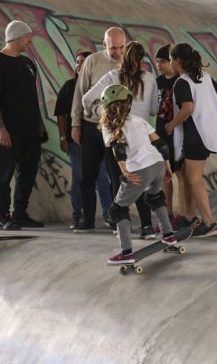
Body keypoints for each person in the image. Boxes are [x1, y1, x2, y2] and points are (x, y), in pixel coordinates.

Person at [82, 41, 159, 239]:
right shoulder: (150, 78)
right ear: (143, 58)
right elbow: (153, 110)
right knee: (140, 180)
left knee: (119, 180)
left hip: (117, 136)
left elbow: (86, 99)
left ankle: (120, 226)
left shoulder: (112, 76)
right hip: (141, 137)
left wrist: (101, 111)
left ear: (124, 54)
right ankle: (147, 227)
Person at [98, 84, 178, 265]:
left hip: (140, 169)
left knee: (117, 209)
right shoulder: (138, 120)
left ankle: (126, 252)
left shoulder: (109, 126)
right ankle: (169, 235)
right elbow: (161, 144)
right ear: (127, 103)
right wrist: (167, 165)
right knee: (155, 196)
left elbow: (118, 148)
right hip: (157, 164)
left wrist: (124, 171)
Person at [164, 43, 217, 238]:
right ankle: (189, 217)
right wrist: (209, 111)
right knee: (187, 176)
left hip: (195, 136)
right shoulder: (205, 77)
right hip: (205, 133)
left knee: (194, 179)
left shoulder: (182, 82)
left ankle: (210, 223)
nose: (170, 63)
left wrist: (171, 125)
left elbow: (187, 108)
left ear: (177, 61)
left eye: (170, 59)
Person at [0, 20, 47, 230]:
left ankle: (20, 213)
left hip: (31, 130)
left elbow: (34, 97)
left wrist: (40, 123)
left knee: (28, 172)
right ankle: (3, 216)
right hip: (9, 130)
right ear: (16, 36)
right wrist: (1, 128)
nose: (30, 41)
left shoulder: (27, 63)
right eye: (27, 37)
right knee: (3, 174)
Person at [70, 27, 126, 234]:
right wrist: (75, 123)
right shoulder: (92, 61)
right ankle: (87, 219)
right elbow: (80, 92)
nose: (118, 52)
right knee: (87, 175)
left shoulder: (128, 64)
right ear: (104, 45)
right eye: (113, 48)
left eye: (121, 47)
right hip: (91, 126)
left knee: (116, 174)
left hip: (115, 129)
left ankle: (115, 218)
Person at [54, 50, 113, 230]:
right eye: (78, 62)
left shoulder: (99, 85)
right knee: (80, 176)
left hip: (100, 136)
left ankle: (109, 214)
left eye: (84, 62)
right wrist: (65, 136)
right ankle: (78, 215)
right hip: (78, 139)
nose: (80, 65)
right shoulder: (69, 86)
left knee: (103, 177)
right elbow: (61, 115)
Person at [154, 44, 186, 224]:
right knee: (165, 174)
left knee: (180, 173)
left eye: (164, 61)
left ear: (173, 61)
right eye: (157, 61)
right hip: (161, 132)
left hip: (178, 133)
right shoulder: (157, 82)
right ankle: (168, 214)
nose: (159, 65)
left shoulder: (181, 81)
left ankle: (182, 213)